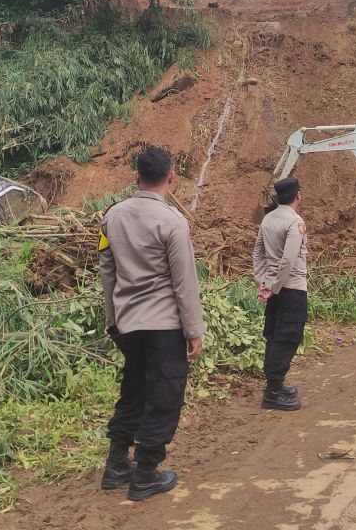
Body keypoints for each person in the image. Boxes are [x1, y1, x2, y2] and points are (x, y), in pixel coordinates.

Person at [98, 146, 204, 501]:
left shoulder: (112, 217)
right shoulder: (172, 221)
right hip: (163, 327)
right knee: (164, 396)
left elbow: (107, 272)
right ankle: (145, 473)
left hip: (129, 325)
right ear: (171, 177)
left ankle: (116, 466)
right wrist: (194, 331)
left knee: (134, 390)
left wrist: (113, 321)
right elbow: (184, 282)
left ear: (135, 176)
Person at [253, 177, 309, 411]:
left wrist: (263, 282)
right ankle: (273, 392)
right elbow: (288, 260)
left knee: (275, 335)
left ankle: (276, 384)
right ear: (298, 195)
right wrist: (274, 286)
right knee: (287, 338)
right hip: (291, 289)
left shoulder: (268, 219)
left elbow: (258, 252)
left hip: (275, 289)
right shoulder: (295, 222)